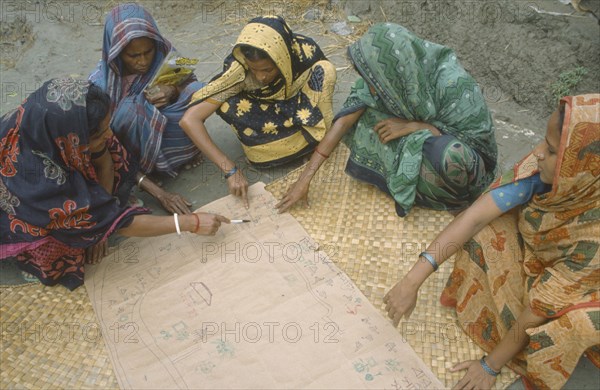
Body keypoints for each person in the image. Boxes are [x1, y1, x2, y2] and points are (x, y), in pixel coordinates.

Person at [383, 94, 599, 389]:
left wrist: (490, 365)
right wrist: (412, 280)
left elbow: (540, 308)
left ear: (581, 168)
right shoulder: (550, 174)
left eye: (549, 150)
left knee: (574, 328)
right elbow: (476, 216)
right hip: (544, 262)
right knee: (486, 232)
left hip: (585, 289)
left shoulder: (594, 236)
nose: (536, 153)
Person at [0, 78, 229, 291]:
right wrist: (192, 223)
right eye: (99, 133)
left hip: (64, 175)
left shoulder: (52, 124)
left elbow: (105, 162)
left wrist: (105, 218)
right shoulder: (41, 181)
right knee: (61, 250)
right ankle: (34, 259)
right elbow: (126, 225)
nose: (109, 133)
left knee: (113, 150)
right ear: (68, 140)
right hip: (26, 216)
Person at [276, 23, 498, 216]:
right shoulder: (387, 77)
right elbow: (343, 122)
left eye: (374, 81)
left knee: (450, 155)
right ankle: (409, 182)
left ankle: (456, 205)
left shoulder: (455, 86)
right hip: (424, 143)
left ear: (397, 73)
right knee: (366, 113)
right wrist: (305, 179)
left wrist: (417, 127)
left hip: (466, 162)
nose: (370, 87)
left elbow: (473, 147)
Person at [180, 15, 337, 208]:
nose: (261, 77)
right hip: (264, 119)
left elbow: (319, 90)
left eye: (268, 70)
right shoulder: (239, 70)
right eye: (254, 70)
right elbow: (189, 120)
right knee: (225, 102)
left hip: (298, 111)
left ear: (283, 58)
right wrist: (230, 170)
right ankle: (275, 150)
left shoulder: (304, 52)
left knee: (326, 72)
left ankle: (316, 142)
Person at [89, 3, 204, 181]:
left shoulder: (164, 51)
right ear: (117, 52)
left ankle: (185, 154)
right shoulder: (99, 84)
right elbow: (102, 137)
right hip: (132, 148)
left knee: (199, 92)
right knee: (130, 111)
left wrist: (173, 90)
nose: (143, 61)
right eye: (133, 56)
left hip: (168, 130)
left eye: (148, 52)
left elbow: (190, 80)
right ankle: (143, 171)